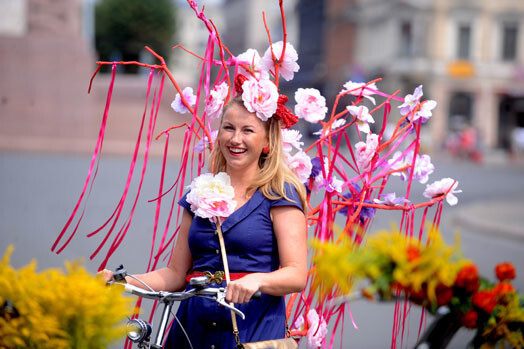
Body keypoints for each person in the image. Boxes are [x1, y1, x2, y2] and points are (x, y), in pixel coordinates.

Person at [100, 95, 308, 348]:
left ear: (267, 142)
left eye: (248, 130)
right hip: (192, 329)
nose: (235, 139)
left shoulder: (280, 195)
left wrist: (257, 280)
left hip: (252, 327)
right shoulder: (197, 194)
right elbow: (176, 274)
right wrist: (122, 281)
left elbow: (297, 274)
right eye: (228, 127)